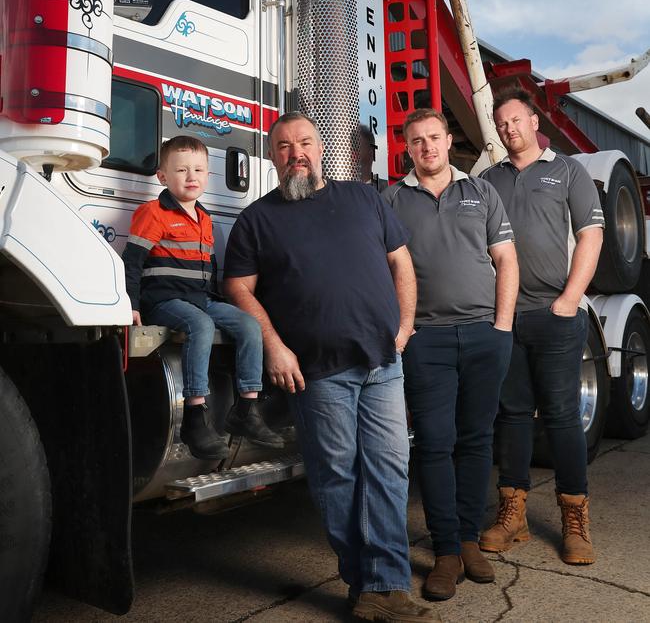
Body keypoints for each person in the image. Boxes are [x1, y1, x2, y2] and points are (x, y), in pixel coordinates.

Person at [223, 112, 440, 623]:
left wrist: (405, 327)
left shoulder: (363, 198)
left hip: (382, 363)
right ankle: (366, 584)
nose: (295, 152)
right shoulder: (257, 219)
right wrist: (274, 344)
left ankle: (385, 587)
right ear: (271, 156)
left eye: (303, 142)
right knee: (337, 476)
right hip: (317, 373)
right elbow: (238, 288)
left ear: (321, 149)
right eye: (282, 146)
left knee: (389, 470)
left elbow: (401, 262)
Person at [383, 108, 518, 602]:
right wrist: (403, 331)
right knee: (436, 443)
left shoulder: (481, 191)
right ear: (408, 147)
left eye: (434, 138)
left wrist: (502, 327)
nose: (427, 147)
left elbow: (506, 260)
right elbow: (385, 269)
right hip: (428, 340)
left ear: (446, 141)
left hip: (485, 333)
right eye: (416, 141)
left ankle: (468, 540)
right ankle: (444, 552)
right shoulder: (392, 198)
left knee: (477, 440)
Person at [479, 88, 604, 565]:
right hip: (506, 317)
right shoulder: (488, 179)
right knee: (510, 415)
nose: (508, 129)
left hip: (555, 315)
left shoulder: (568, 170)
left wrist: (570, 300)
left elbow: (591, 235)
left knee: (562, 416)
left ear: (534, 121)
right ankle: (513, 515)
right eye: (501, 123)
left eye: (516, 120)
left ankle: (575, 519)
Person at [123, 135, 284, 460]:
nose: (191, 176)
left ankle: (246, 409)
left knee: (249, 325)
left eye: (198, 170)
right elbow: (132, 261)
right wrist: (133, 305)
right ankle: (195, 417)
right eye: (181, 170)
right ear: (163, 177)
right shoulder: (153, 213)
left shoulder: (205, 218)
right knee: (200, 325)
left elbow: (208, 268)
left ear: (208, 176)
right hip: (165, 300)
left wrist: (218, 302)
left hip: (199, 298)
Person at [359, 124, 388, 191]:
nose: (352, 151)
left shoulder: (386, 189)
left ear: (371, 151)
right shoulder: (342, 189)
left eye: (358, 147)